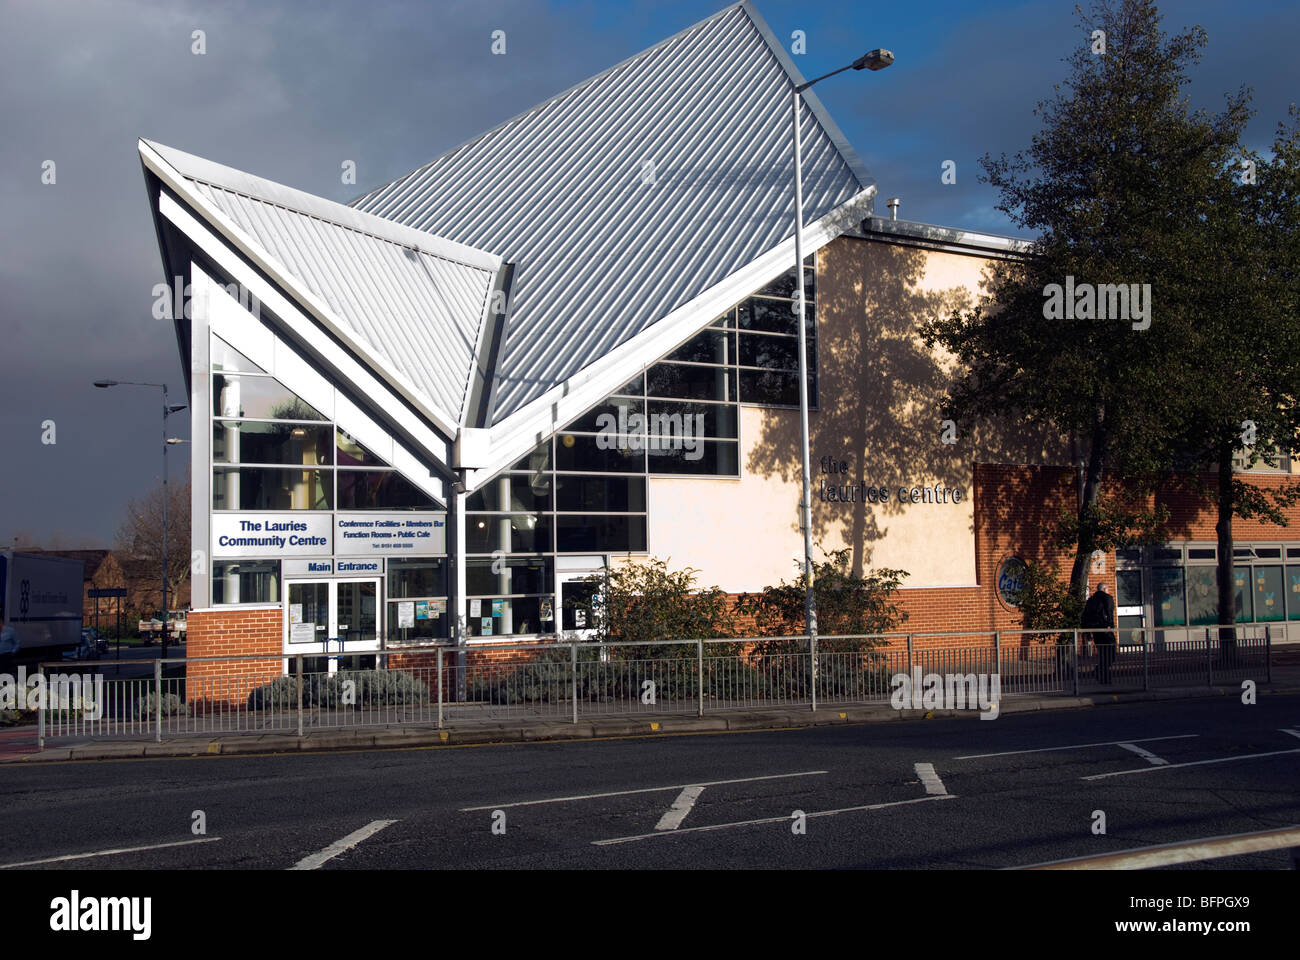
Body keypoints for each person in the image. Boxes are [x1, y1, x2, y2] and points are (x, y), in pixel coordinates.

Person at [1082, 582, 1117, 684]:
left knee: (1103, 654)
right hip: (1105, 629)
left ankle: (1102, 675)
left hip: (1096, 631)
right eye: (1108, 589)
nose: (1109, 591)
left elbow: (1085, 615)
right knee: (1111, 654)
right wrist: (1111, 625)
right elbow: (1109, 612)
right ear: (1105, 589)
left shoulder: (1091, 600)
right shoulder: (1107, 598)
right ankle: (1101, 674)